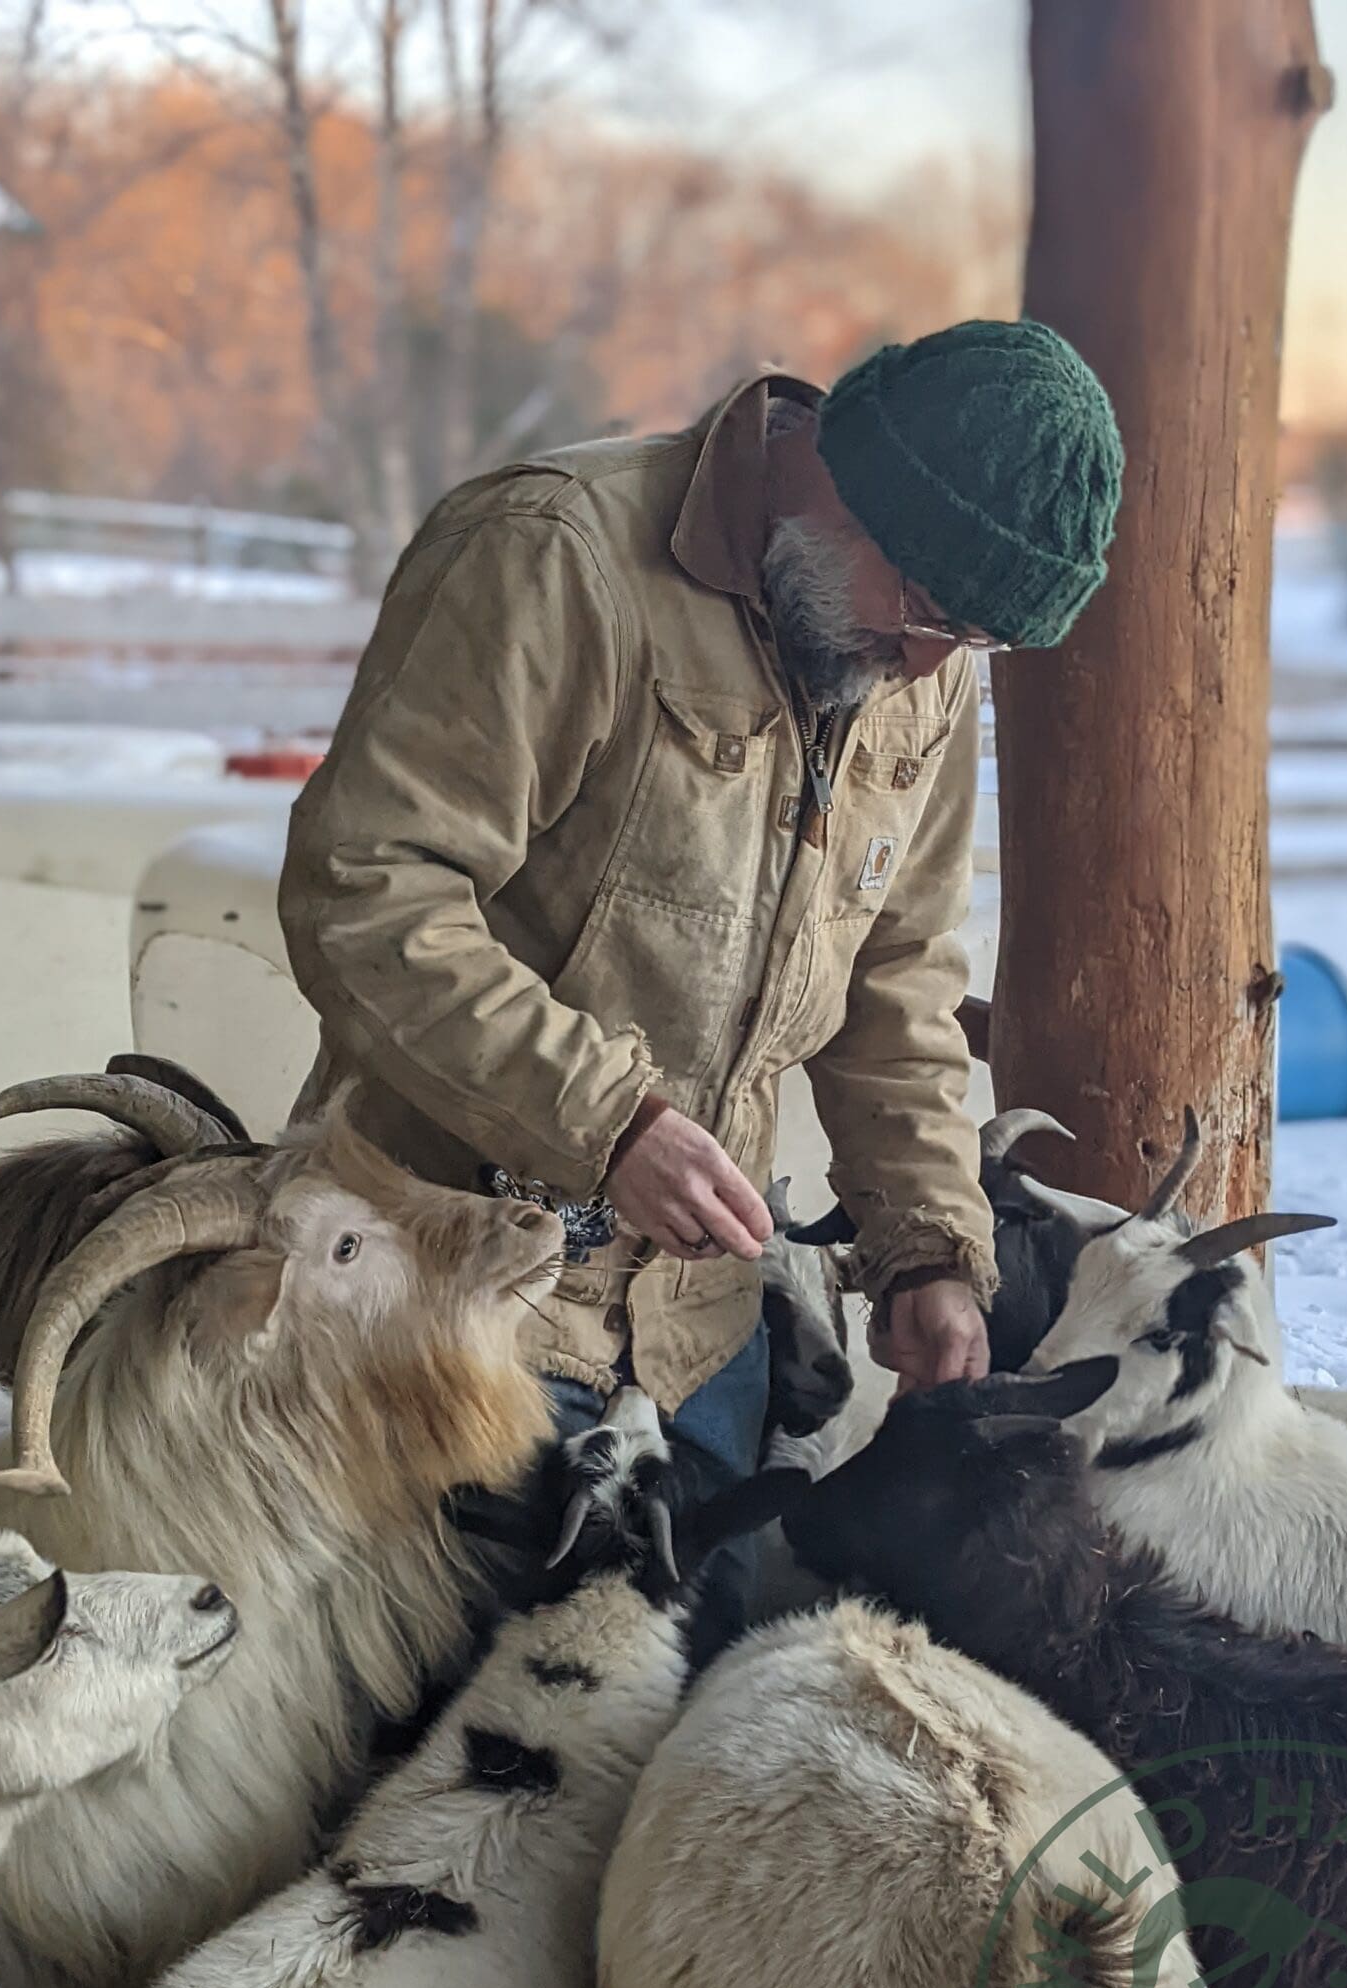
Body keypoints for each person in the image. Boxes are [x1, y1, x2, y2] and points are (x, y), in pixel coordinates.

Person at [280, 318, 1123, 1488]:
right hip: (443, 1303)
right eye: (929, 606)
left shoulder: (911, 660)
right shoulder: (553, 555)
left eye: (975, 641)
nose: (931, 664)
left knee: (673, 1668)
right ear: (846, 480)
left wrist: (925, 1242)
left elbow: (901, 972)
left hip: (698, 1342)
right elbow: (365, 890)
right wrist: (605, 1122)